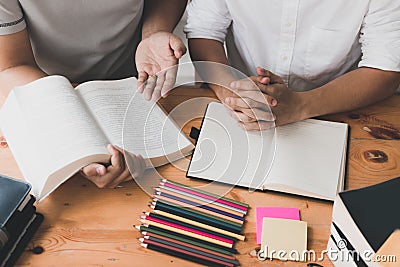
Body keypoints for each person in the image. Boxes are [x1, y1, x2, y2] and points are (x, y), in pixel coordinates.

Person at [0, 0, 188, 188]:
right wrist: (77, 145)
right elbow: (12, 65)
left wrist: (153, 32)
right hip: (40, 88)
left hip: (132, 80)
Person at [184, 0, 400, 131]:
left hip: (338, 108)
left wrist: (300, 105)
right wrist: (232, 94)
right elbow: (204, 32)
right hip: (242, 108)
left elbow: (385, 69)